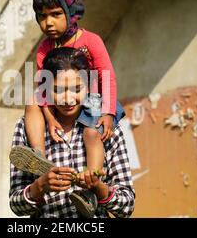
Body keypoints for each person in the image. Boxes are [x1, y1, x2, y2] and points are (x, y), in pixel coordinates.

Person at [10, 47, 135, 218]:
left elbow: (127, 206)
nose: (68, 99)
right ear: (45, 89)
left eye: (77, 90)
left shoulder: (106, 127)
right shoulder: (26, 128)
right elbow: (16, 206)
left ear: (89, 86)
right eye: (58, 90)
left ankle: (87, 198)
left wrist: (97, 187)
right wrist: (39, 187)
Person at [24, 0, 126, 176]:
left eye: (55, 14)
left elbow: (107, 77)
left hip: (93, 101)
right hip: (60, 100)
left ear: (71, 12)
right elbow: (43, 90)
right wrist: (50, 118)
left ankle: (92, 179)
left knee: (91, 133)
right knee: (32, 101)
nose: (49, 23)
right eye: (42, 16)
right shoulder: (44, 49)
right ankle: (40, 159)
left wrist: (108, 113)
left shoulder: (91, 41)